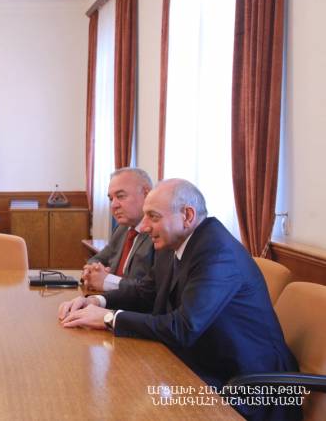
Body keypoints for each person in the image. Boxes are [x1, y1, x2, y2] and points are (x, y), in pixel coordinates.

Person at [58, 179, 299, 420]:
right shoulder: (174, 243)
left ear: (187, 215)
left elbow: (183, 327)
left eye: (153, 217)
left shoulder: (218, 254)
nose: (143, 227)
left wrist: (110, 319)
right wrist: (97, 302)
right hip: (205, 364)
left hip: (249, 387)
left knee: (132, 400)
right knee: (123, 390)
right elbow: (146, 292)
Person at [82, 168, 154, 292]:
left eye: (120, 196)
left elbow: (150, 290)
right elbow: (98, 259)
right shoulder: (122, 229)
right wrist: (92, 270)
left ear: (146, 193)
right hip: (110, 302)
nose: (114, 205)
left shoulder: (158, 233)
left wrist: (107, 281)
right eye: (111, 198)